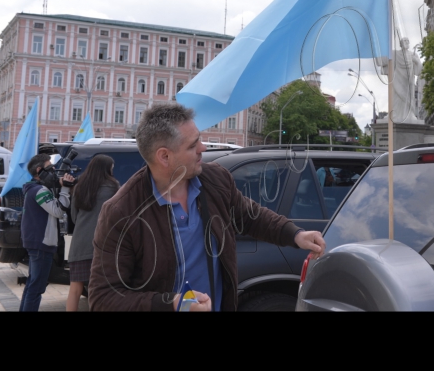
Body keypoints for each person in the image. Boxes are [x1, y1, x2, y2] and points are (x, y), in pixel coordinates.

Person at [88, 104, 326, 312]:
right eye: (193, 145)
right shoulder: (121, 212)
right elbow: (103, 298)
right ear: (164, 157)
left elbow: (250, 216)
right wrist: (172, 304)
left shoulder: (215, 180)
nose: (203, 148)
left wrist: (295, 234)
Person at [19, 155, 75, 312]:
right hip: (41, 244)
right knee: (36, 287)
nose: (54, 171)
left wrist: (59, 184)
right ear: (39, 170)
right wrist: (65, 188)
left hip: (37, 243)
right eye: (50, 168)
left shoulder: (33, 189)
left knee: (32, 285)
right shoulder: (39, 191)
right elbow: (58, 210)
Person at [66, 155, 119, 312]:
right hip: (102, 245)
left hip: (79, 245)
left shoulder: (79, 187)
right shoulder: (113, 187)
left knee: (75, 289)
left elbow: (74, 218)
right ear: (107, 168)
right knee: (100, 291)